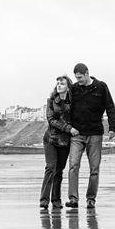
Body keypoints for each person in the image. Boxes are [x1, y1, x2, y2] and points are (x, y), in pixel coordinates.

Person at [65, 63, 115, 209]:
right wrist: (69, 127)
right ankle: (73, 199)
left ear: (87, 73)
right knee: (73, 166)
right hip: (77, 134)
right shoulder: (74, 89)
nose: (78, 80)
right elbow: (67, 109)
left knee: (94, 168)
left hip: (95, 133)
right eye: (76, 78)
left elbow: (110, 107)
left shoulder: (101, 87)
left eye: (80, 77)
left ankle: (91, 199)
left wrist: (112, 128)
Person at [40, 75, 77, 210]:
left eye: (62, 83)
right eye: (57, 83)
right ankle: (44, 200)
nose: (59, 85)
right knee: (50, 167)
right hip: (50, 139)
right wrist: (68, 128)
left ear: (68, 87)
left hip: (65, 141)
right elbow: (51, 120)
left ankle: (56, 200)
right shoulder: (51, 101)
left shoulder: (73, 103)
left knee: (59, 171)